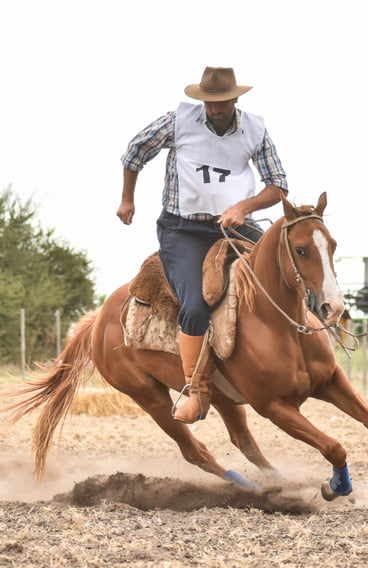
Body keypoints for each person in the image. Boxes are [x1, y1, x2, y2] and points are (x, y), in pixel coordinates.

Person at [118, 66, 288, 424]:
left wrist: (245, 207)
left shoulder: (254, 130)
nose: (213, 109)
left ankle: (312, 342)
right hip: (183, 230)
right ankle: (195, 391)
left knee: (287, 265)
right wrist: (127, 199)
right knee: (195, 305)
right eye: (208, 103)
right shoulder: (178, 122)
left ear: (235, 99)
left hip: (235, 226)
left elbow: (278, 184)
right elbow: (135, 151)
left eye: (221, 102)